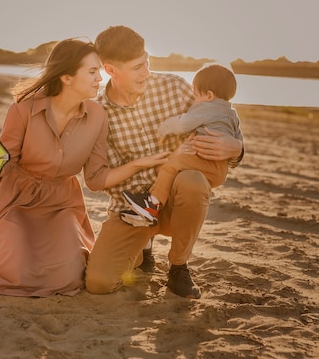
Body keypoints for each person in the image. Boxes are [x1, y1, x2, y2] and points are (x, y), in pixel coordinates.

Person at [0, 38, 168, 297]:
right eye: (91, 72)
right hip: (17, 200)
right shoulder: (23, 109)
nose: (99, 79)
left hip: (62, 203)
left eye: (99, 71)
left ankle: (132, 255)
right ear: (67, 78)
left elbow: (96, 179)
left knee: (69, 277)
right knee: (14, 271)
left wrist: (139, 164)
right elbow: (4, 164)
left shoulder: (98, 116)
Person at [85, 26, 244, 299]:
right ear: (110, 70)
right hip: (134, 208)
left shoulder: (175, 87)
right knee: (98, 283)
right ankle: (142, 247)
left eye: (147, 61)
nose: (146, 72)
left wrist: (237, 149)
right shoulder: (98, 112)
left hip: (178, 201)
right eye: (137, 67)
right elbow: (100, 178)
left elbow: (223, 118)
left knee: (192, 180)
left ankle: (178, 267)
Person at [122, 64, 244, 224]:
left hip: (205, 161)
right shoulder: (232, 115)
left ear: (208, 95)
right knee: (176, 168)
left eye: (196, 96)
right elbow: (238, 142)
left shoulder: (207, 107)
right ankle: (149, 205)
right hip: (220, 171)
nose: (194, 100)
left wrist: (163, 129)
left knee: (171, 164)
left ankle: (152, 204)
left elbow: (183, 123)